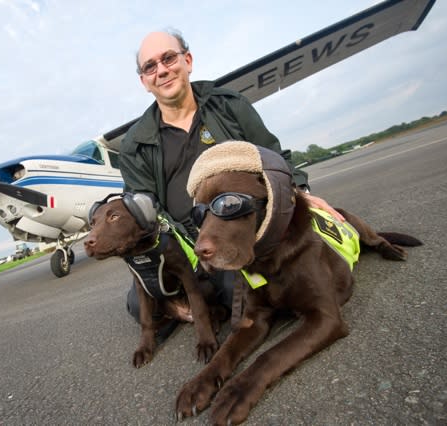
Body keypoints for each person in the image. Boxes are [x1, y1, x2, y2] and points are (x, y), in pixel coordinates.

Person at [119, 29, 342, 326]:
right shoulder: (134, 144)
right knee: (138, 303)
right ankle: (205, 299)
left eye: (168, 58)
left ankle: (210, 302)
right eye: (150, 66)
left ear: (187, 60)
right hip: (189, 246)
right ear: (144, 81)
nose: (161, 70)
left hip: (241, 226)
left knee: (255, 284)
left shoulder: (229, 104)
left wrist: (300, 191)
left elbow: (273, 157)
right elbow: (144, 210)